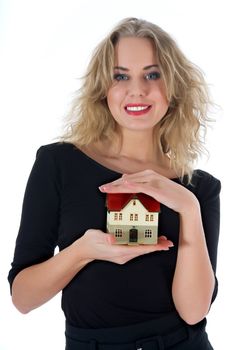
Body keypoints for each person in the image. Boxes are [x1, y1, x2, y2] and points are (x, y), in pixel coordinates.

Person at [8, 17, 221, 350]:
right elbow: (22, 299)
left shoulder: (199, 188)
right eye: (120, 76)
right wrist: (82, 251)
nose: (137, 90)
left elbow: (193, 313)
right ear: (102, 89)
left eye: (153, 74)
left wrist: (188, 209)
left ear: (174, 87)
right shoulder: (59, 163)